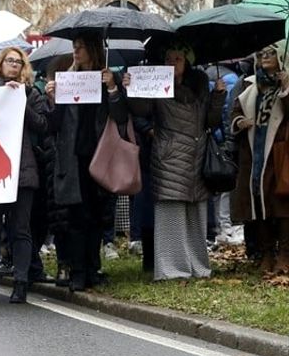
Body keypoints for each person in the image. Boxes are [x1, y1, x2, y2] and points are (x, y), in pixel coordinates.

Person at [123, 41, 224, 281]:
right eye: (169, 57)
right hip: (169, 156)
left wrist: (218, 96)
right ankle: (171, 269)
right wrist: (130, 88)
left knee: (195, 214)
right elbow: (141, 108)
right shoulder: (157, 83)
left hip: (196, 157)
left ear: (186, 62)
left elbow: (210, 120)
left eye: (178, 58)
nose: (172, 62)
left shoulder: (199, 86)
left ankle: (197, 265)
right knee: (171, 212)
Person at [45, 36, 128, 292]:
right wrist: (54, 99)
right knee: (77, 217)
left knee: (98, 215)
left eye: (80, 46)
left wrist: (113, 88)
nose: (76, 51)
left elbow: (121, 116)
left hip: (101, 156)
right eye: (74, 47)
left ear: (92, 49)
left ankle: (93, 268)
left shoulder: (106, 79)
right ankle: (78, 271)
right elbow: (54, 124)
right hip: (75, 157)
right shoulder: (68, 79)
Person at [0, 46, 50, 303]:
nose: (14, 66)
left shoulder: (31, 94)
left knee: (20, 228)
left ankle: (21, 283)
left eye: (18, 63)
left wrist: (20, 101)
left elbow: (43, 125)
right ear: (0, 65)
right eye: (9, 61)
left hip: (22, 170)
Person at [230, 45, 289, 274]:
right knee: (258, 203)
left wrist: (285, 88)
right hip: (255, 153)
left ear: (281, 56)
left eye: (271, 52)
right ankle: (265, 254)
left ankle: (284, 254)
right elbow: (235, 112)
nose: (265, 56)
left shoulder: (286, 82)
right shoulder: (249, 84)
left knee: (282, 204)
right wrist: (240, 122)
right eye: (261, 53)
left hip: (280, 152)